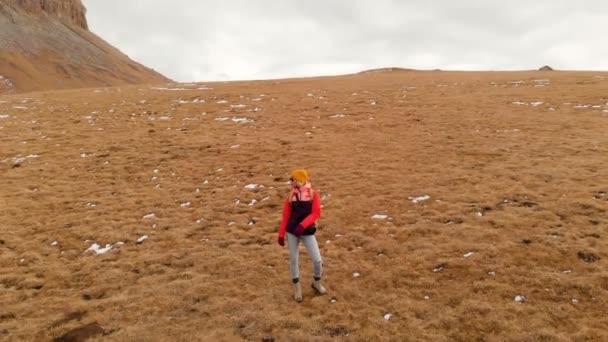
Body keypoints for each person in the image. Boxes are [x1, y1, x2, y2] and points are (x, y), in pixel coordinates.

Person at [277, 169, 326, 302]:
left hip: (306, 231)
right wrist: (281, 234)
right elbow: (286, 217)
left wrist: (302, 226)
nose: (290, 182)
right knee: (294, 260)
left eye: (292, 179)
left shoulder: (312, 194)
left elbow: (316, 213)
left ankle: (316, 282)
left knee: (317, 260)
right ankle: (297, 288)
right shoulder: (290, 196)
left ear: (299, 180)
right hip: (292, 232)